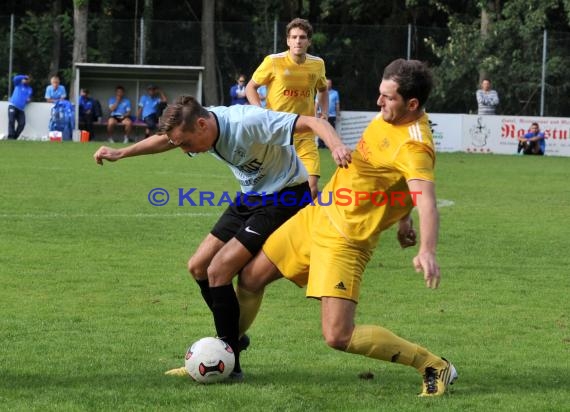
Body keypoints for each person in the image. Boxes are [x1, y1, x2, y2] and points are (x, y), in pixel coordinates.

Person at [236, 59, 458, 397]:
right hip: (319, 215)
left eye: (388, 98)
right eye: (380, 94)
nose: (379, 102)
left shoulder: (415, 146)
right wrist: (402, 217)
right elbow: (389, 180)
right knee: (250, 277)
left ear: (411, 104)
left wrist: (427, 249)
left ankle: (431, 364)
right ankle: (226, 356)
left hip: (346, 240)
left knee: (339, 336)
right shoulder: (389, 116)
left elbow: (425, 198)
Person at [93, 96, 352, 379]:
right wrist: (122, 153)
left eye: (187, 144)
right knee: (198, 266)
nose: (183, 150)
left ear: (202, 125)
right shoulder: (196, 125)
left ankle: (230, 361)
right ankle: (233, 338)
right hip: (250, 198)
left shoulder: (247, 122)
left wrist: (337, 146)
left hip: (286, 196)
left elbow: (313, 122)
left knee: (219, 270)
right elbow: (166, 140)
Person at [245, 18, 329, 199]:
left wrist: (324, 112)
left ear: (309, 41)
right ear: (288, 41)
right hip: (278, 134)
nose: (298, 41)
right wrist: (260, 113)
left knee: (312, 187)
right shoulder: (273, 61)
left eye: (302, 37)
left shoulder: (317, 64)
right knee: (275, 189)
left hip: (305, 134)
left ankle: (302, 225)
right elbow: (250, 87)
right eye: (294, 37)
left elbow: (323, 89)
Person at [315, 78, 340, 148]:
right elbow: (316, 104)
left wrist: (338, 114)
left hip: (332, 115)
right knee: (322, 130)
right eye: (327, 83)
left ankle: (331, 145)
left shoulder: (335, 93)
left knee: (331, 130)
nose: (328, 84)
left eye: (329, 83)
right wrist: (315, 113)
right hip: (322, 115)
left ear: (331, 84)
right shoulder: (319, 92)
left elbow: (337, 104)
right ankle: (321, 145)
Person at [7, 74, 33, 140]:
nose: (26, 80)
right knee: (11, 121)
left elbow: (29, 98)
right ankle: (10, 137)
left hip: (21, 109)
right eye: (25, 79)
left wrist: (29, 100)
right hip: (13, 105)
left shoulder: (30, 89)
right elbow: (15, 78)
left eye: (28, 79)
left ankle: (14, 137)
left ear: (30, 81)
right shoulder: (18, 84)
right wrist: (24, 76)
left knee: (22, 123)